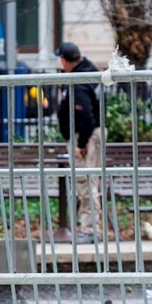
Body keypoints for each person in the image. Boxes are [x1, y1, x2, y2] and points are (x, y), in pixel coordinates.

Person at [55, 41, 102, 244]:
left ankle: (91, 230)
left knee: (86, 183)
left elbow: (87, 118)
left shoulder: (80, 82)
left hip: (85, 137)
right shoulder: (87, 73)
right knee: (89, 182)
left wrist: (80, 145)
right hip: (88, 135)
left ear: (65, 60)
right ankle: (91, 229)